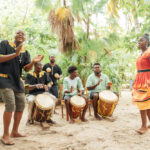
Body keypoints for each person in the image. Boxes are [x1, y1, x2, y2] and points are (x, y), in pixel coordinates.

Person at [0, 30, 43, 145]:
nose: (20, 35)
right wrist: (15, 54)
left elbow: (26, 69)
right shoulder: (5, 44)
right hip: (4, 79)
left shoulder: (26, 52)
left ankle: (14, 132)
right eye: (18, 33)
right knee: (10, 105)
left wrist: (33, 61)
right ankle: (5, 135)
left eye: (23, 34)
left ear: (24, 38)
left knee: (21, 105)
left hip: (17, 81)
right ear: (14, 35)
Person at [132, 33, 150, 134]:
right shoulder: (141, 54)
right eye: (138, 41)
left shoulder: (149, 52)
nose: (139, 42)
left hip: (147, 80)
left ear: (147, 42)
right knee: (146, 103)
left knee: (142, 103)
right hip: (140, 80)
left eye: (141, 40)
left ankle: (144, 127)